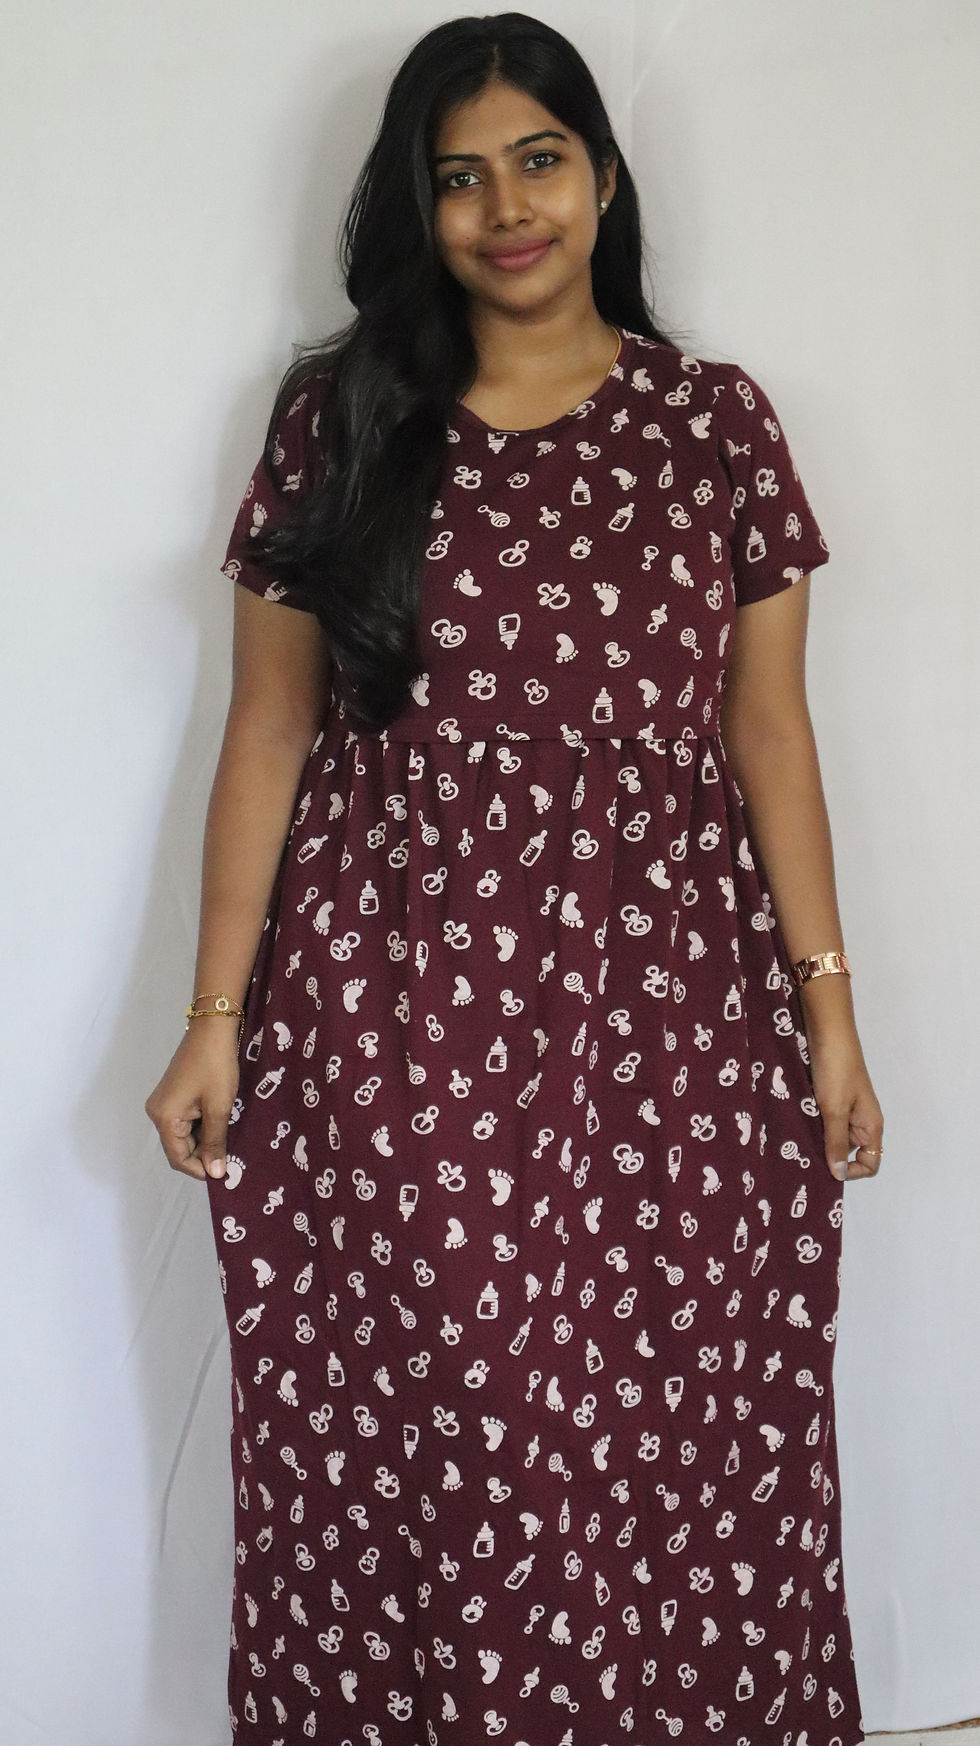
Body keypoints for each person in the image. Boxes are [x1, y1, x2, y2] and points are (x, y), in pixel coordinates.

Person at [145, 14, 883, 1743]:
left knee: (678, 1420)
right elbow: (270, 727)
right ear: (419, 208)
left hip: (675, 1022)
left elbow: (769, 732)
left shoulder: (713, 426)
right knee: (447, 1422)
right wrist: (213, 1015)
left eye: (538, 161)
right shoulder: (342, 419)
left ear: (603, 177)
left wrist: (831, 1014)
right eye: (459, 177)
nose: (506, 209)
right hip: (401, 1006)